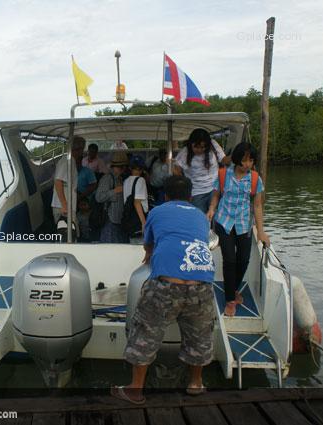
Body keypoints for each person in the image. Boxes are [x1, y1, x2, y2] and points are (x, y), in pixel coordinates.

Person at [112, 175, 216, 403]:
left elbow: (148, 242)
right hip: (202, 283)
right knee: (199, 336)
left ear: (165, 196)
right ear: (190, 196)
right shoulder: (201, 216)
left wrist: (149, 255)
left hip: (167, 285)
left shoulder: (157, 212)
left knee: (145, 332)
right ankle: (196, 384)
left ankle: (135, 389)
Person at [207, 142, 271, 317]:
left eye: (251, 161)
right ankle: (230, 300)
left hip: (244, 224)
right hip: (224, 222)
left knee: (244, 260)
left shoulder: (255, 179)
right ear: (236, 159)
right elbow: (216, 196)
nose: (247, 164)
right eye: (244, 160)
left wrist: (261, 231)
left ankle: (234, 289)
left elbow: (257, 206)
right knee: (229, 260)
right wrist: (212, 209)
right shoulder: (222, 175)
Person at [175, 128, 228, 213]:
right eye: (196, 147)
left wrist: (236, 156)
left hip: (215, 189)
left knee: (216, 217)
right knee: (200, 217)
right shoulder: (185, 152)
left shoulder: (213, 145)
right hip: (196, 192)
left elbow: (224, 159)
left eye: (203, 147)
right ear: (191, 144)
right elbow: (176, 169)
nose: (199, 150)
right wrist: (185, 186)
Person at [95, 152, 129, 243]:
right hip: (109, 220)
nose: (122, 169)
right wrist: (115, 191)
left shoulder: (120, 179)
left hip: (118, 221)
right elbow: (99, 197)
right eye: (121, 167)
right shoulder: (107, 178)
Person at [51, 136, 85, 224]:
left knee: (70, 233)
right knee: (67, 234)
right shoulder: (67, 161)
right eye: (82, 149)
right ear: (79, 149)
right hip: (62, 206)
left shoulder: (71, 160)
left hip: (66, 205)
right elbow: (58, 181)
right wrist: (64, 205)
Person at [123, 155, 148, 238]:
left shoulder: (126, 181)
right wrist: (143, 222)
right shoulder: (141, 180)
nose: (138, 171)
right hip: (138, 219)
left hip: (129, 219)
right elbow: (137, 202)